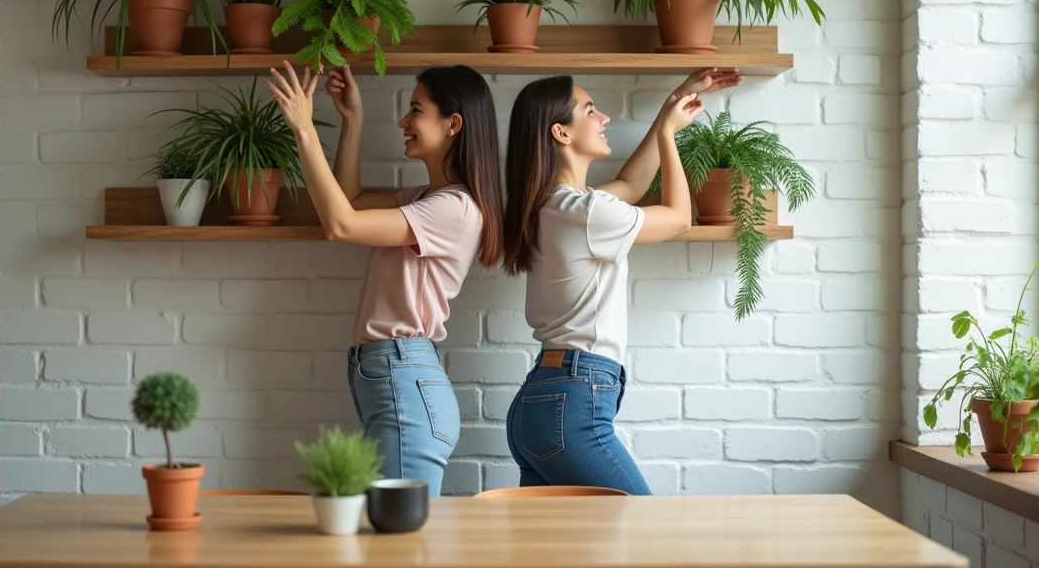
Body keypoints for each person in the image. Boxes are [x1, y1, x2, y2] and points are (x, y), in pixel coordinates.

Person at [501, 68, 742, 494]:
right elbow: (678, 218)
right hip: (572, 399)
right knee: (639, 522)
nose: (604, 118)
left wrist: (673, 101)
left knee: (560, 538)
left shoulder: (551, 206)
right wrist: (667, 135)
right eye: (590, 110)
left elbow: (632, 183)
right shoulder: (586, 212)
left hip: (539, 401)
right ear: (561, 132)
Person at [267, 61, 503, 495]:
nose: (403, 122)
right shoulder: (428, 200)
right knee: (392, 528)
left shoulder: (453, 208)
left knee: (400, 532)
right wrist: (352, 118)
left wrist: (304, 129)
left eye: (416, 110)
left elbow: (341, 225)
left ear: (453, 124)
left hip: (404, 377)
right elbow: (349, 201)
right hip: (396, 376)